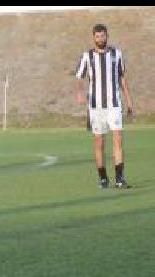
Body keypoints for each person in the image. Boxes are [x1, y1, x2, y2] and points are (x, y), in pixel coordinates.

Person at [75, 24, 134, 189]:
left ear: (107, 36)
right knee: (99, 142)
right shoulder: (87, 56)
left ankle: (120, 179)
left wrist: (129, 102)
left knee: (118, 139)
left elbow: (123, 79)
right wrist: (80, 93)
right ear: (94, 37)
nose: (101, 39)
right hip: (96, 106)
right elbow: (79, 77)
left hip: (114, 104)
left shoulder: (117, 54)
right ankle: (103, 178)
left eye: (103, 36)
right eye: (98, 36)